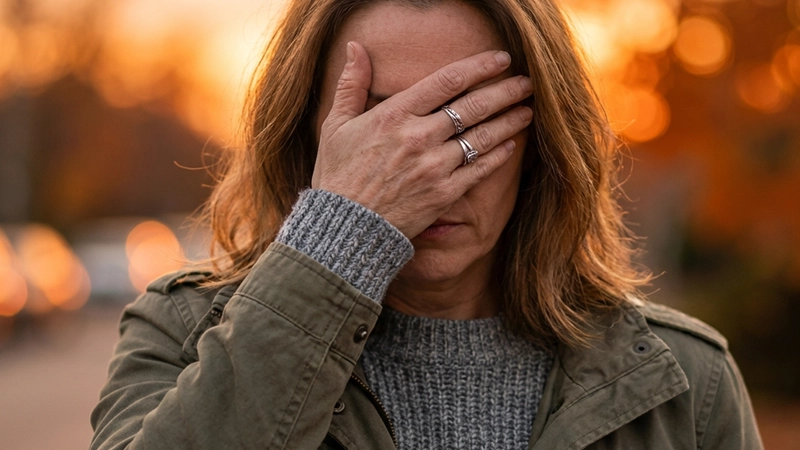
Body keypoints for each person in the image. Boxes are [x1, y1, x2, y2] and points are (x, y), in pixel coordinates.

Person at [90, 0, 763, 448]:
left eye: (470, 119)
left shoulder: (683, 384)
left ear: (545, 144)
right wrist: (339, 240)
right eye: (380, 126)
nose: (423, 169)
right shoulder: (181, 335)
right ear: (306, 137)